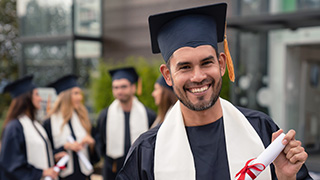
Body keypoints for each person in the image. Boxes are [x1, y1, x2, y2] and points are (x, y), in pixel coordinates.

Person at [116, 3, 312, 180]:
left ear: (221, 63)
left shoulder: (261, 130)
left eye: (206, 63)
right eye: (185, 67)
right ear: (167, 75)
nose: (198, 76)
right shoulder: (148, 150)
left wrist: (286, 178)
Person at [95, 67, 157, 180]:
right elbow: (100, 142)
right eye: (115, 87)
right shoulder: (105, 115)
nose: (119, 91)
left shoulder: (149, 115)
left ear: (133, 88)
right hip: (112, 170)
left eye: (123, 87)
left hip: (139, 170)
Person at [0, 75, 58, 180]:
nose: (40, 98)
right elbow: (12, 164)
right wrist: (41, 173)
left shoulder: (35, 124)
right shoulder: (14, 127)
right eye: (36, 94)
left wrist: (54, 156)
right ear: (26, 98)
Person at [43, 74, 98, 180]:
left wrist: (91, 142)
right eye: (76, 93)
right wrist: (65, 147)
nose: (80, 97)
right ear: (66, 96)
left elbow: (95, 154)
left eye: (80, 93)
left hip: (84, 175)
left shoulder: (83, 119)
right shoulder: (49, 122)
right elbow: (46, 152)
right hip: (63, 176)